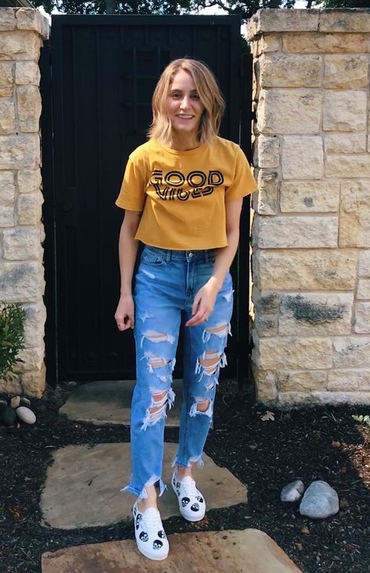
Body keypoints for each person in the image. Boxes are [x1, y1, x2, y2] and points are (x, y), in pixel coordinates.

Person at [114, 58, 257, 561]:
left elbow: (234, 231)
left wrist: (215, 283)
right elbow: (129, 229)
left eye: (194, 95)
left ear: (208, 101)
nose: (185, 104)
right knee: (154, 392)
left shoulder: (230, 156)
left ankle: (185, 471)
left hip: (210, 276)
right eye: (176, 93)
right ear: (163, 99)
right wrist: (126, 293)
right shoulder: (144, 158)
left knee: (203, 387)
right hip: (156, 277)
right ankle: (146, 498)